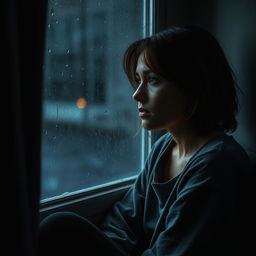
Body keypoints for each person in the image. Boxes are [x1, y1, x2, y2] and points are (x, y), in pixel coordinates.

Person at [38, 25, 254, 256]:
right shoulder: (164, 147)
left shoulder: (217, 165)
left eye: (153, 80)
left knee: (59, 226)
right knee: (60, 227)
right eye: (138, 80)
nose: (137, 94)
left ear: (193, 86)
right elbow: (124, 219)